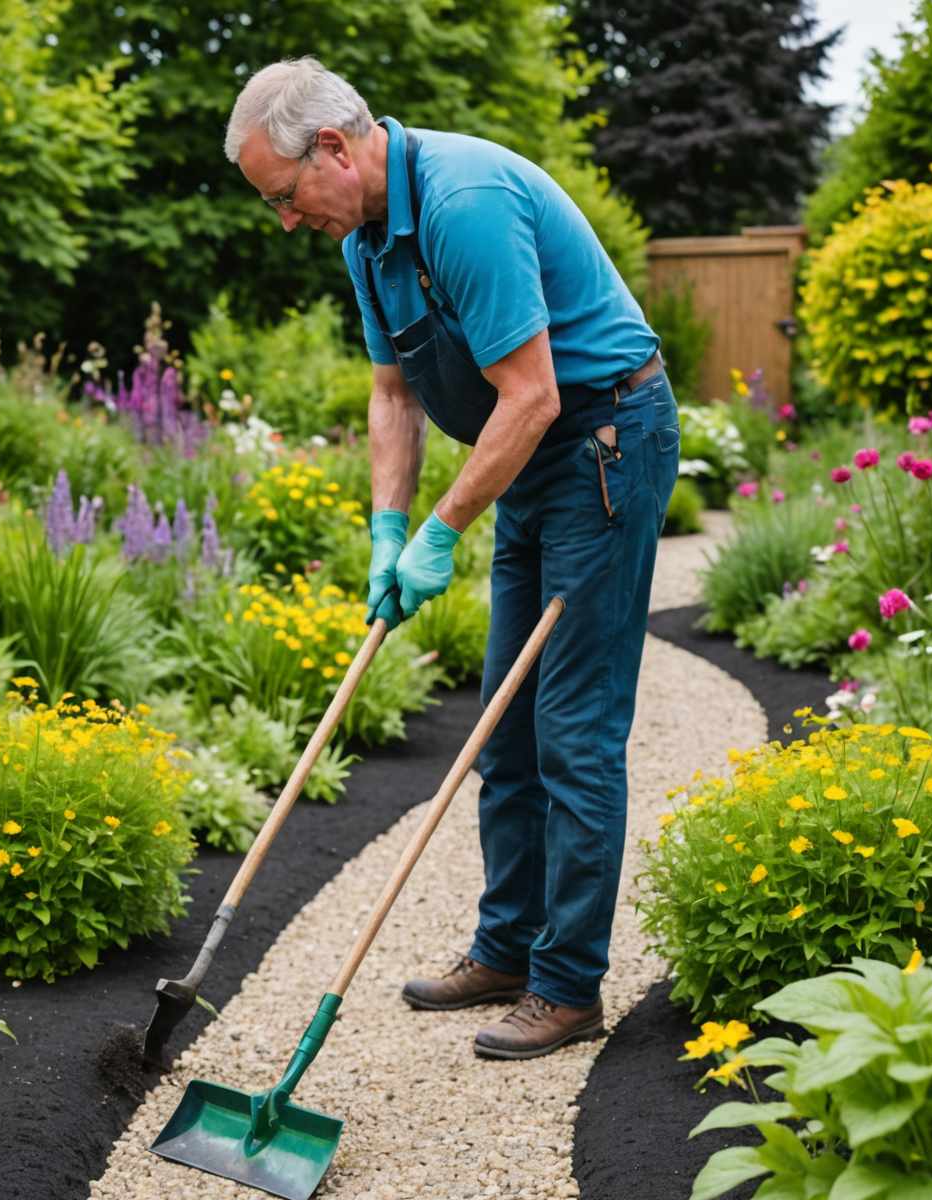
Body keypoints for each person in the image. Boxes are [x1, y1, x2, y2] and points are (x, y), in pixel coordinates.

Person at [224, 57, 680, 1061]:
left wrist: (441, 532)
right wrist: (389, 530)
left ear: (334, 149)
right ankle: (508, 949)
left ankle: (568, 985)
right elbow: (394, 394)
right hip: (528, 453)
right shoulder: (367, 239)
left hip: (603, 443)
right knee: (502, 725)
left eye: (285, 195)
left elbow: (534, 396)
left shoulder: (463, 204)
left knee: (573, 729)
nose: (287, 221)